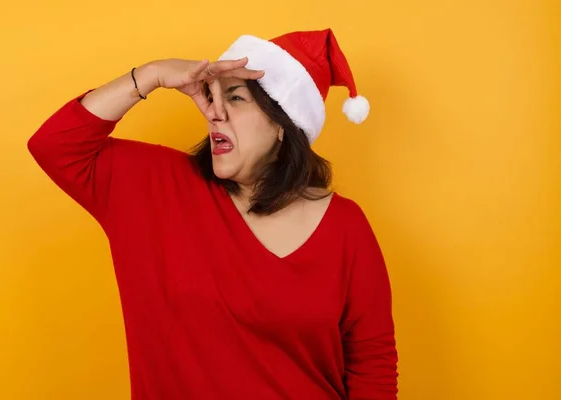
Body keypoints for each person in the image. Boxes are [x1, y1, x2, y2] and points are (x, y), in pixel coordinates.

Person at [28, 28, 398, 399]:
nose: (214, 114)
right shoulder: (155, 187)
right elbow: (55, 146)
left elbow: (372, 366)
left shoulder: (346, 227)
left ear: (284, 125)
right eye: (211, 96)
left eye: (235, 98)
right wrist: (152, 75)